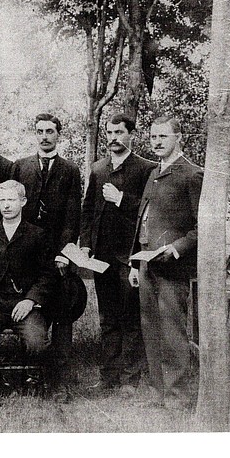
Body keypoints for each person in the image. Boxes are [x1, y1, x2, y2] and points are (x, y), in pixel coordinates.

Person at [128, 116, 203, 410]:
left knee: (172, 333)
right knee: (151, 330)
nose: (157, 142)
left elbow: (201, 227)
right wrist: (135, 263)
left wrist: (177, 248)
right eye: (153, 137)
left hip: (173, 268)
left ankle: (178, 398)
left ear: (178, 137)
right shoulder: (153, 172)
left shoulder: (192, 174)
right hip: (147, 264)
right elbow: (142, 219)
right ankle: (159, 394)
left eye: (163, 137)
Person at [80, 113, 156, 396]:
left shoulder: (145, 169)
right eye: (109, 132)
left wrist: (122, 199)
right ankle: (108, 377)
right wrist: (85, 243)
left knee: (130, 318)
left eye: (119, 132)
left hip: (130, 256)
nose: (113, 138)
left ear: (131, 135)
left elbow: (150, 212)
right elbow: (88, 210)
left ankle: (129, 379)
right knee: (107, 318)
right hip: (102, 257)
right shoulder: (99, 168)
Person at [10, 113, 82, 401]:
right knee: (28, 304)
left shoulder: (70, 170)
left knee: (63, 304)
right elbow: (13, 210)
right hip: (28, 253)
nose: (44, 136)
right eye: (39, 131)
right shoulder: (20, 166)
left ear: (58, 135)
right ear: (34, 134)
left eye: (50, 131)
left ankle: (60, 376)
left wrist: (64, 253)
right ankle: (31, 370)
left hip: (58, 254)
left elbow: (72, 215)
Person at [0, 181, 55, 399]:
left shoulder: (37, 234)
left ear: (23, 202)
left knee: (37, 343)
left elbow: (47, 274)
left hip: (24, 304)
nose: (6, 205)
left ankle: (37, 379)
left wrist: (30, 300)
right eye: (2, 200)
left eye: (11, 200)